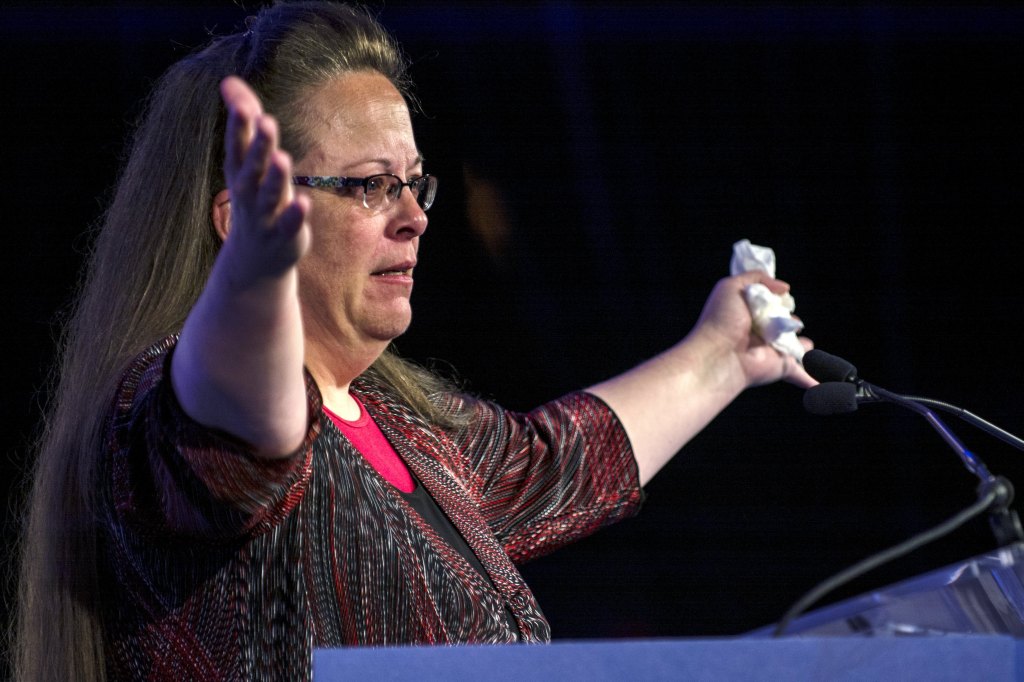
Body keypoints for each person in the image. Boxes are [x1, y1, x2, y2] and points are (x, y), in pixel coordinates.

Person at [14, 2, 813, 680]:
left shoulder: (407, 432)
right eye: (368, 185)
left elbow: (555, 460)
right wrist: (253, 284)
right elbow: (238, 424)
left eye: (413, 181)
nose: (415, 216)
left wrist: (723, 352)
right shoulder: (171, 423)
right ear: (243, 221)